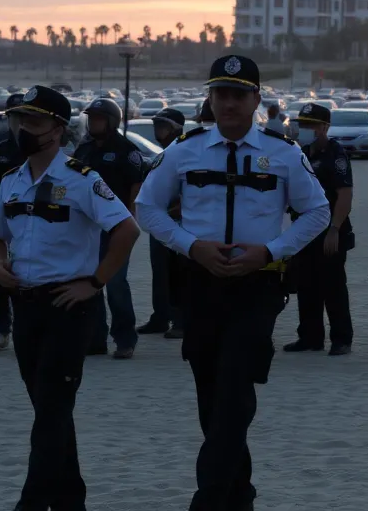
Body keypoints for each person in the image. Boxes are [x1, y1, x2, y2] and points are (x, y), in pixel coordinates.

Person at [135, 54, 330, 511]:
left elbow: (317, 212)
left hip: (257, 288)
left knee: (234, 389)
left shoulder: (284, 152)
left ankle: (208, 499)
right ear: (210, 97)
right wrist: (190, 245)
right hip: (198, 285)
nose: (229, 103)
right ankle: (239, 494)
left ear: (256, 99)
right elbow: (147, 208)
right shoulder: (185, 150)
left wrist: (270, 251)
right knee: (210, 392)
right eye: (220, 93)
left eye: (239, 94)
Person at [0, 85, 141, 511]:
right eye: (20, 120)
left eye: (34, 121)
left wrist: (94, 282)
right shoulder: (13, 182)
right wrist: (0, 268)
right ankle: (72, 500)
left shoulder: (83, 180)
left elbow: (127, 230)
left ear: (57, 128)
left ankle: (31, 503)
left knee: (51, 409)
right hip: (26, 306)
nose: (24, 129)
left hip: (69, 308)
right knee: (49, 410)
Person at [73, 98, 149, 360]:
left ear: (112, 121)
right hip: (87, 228)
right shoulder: (83, 149)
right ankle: (95, 340)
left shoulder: (127, 151)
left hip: (116, 227)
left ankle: (125, 339)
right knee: (89, 283)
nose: (93, 123)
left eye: (99, 118)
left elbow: (136, 188)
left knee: (115, 284)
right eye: (91, 118)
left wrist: (129, 223)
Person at [285, 103, 355, 356]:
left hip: (329, 231)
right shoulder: (301, 153)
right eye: (302, 125)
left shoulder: (335, 155)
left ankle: (341, 339)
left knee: (333, 286)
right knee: (306, 286)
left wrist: (334, 229)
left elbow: (344, 194)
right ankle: (310, 337)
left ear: (325, 127)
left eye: (310, 125)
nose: (305, 129)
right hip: (304, 231)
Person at [0, 92, 27, 351]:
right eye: (14, 117)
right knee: (0, 273)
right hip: (8, 222)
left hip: (36, 221)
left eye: (22, 116)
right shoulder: (2, 149)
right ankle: (1, 330)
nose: (18, 122)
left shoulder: (42, 147)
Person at [138, 107, 188, 338]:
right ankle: (160, 317)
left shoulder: (186, 154)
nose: (158, 130)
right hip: (160, 221)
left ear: (175, 129)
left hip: (180, 223)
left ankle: (180, 320)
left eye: (163, 125)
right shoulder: (162, 155)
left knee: (177, 273)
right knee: (159, 272)